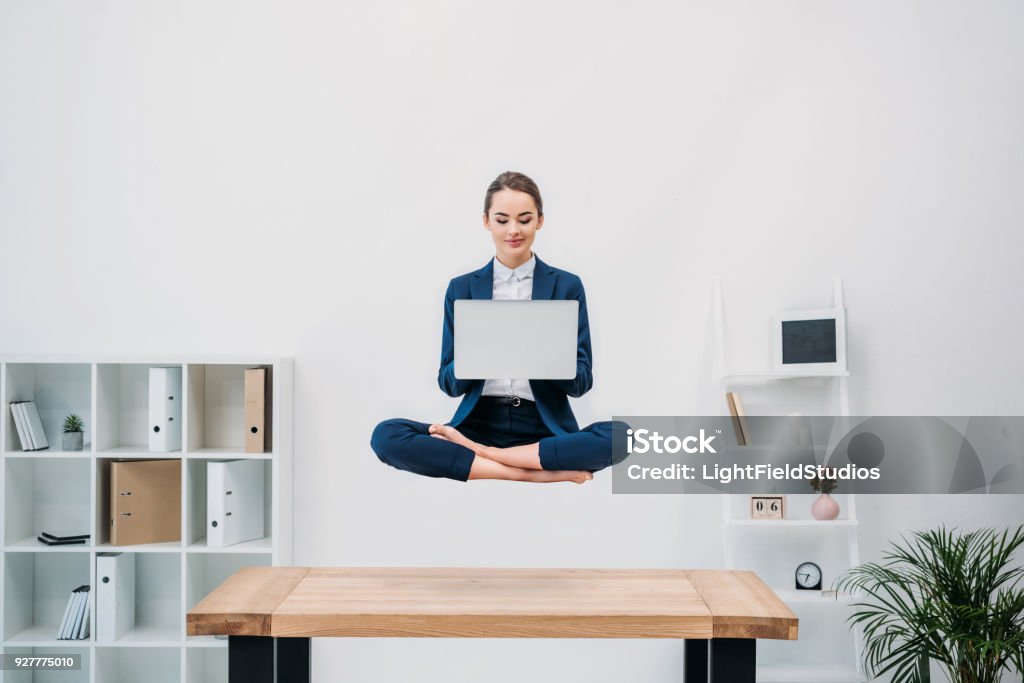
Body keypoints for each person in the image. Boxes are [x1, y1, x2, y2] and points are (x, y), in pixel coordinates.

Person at [370, 171, 625, 483]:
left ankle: (489, 457)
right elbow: (449, 384)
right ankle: (532, 474)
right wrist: (476, 357)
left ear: (540, 221)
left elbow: (581, 382)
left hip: (543, 430)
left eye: (525, 219)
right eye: (502, 220)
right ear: (486, 221)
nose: (513, 230)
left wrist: (546, 356)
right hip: (478, 423)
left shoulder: (567, 286)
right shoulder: (462, 289)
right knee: (386, 435)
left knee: (622, 436)